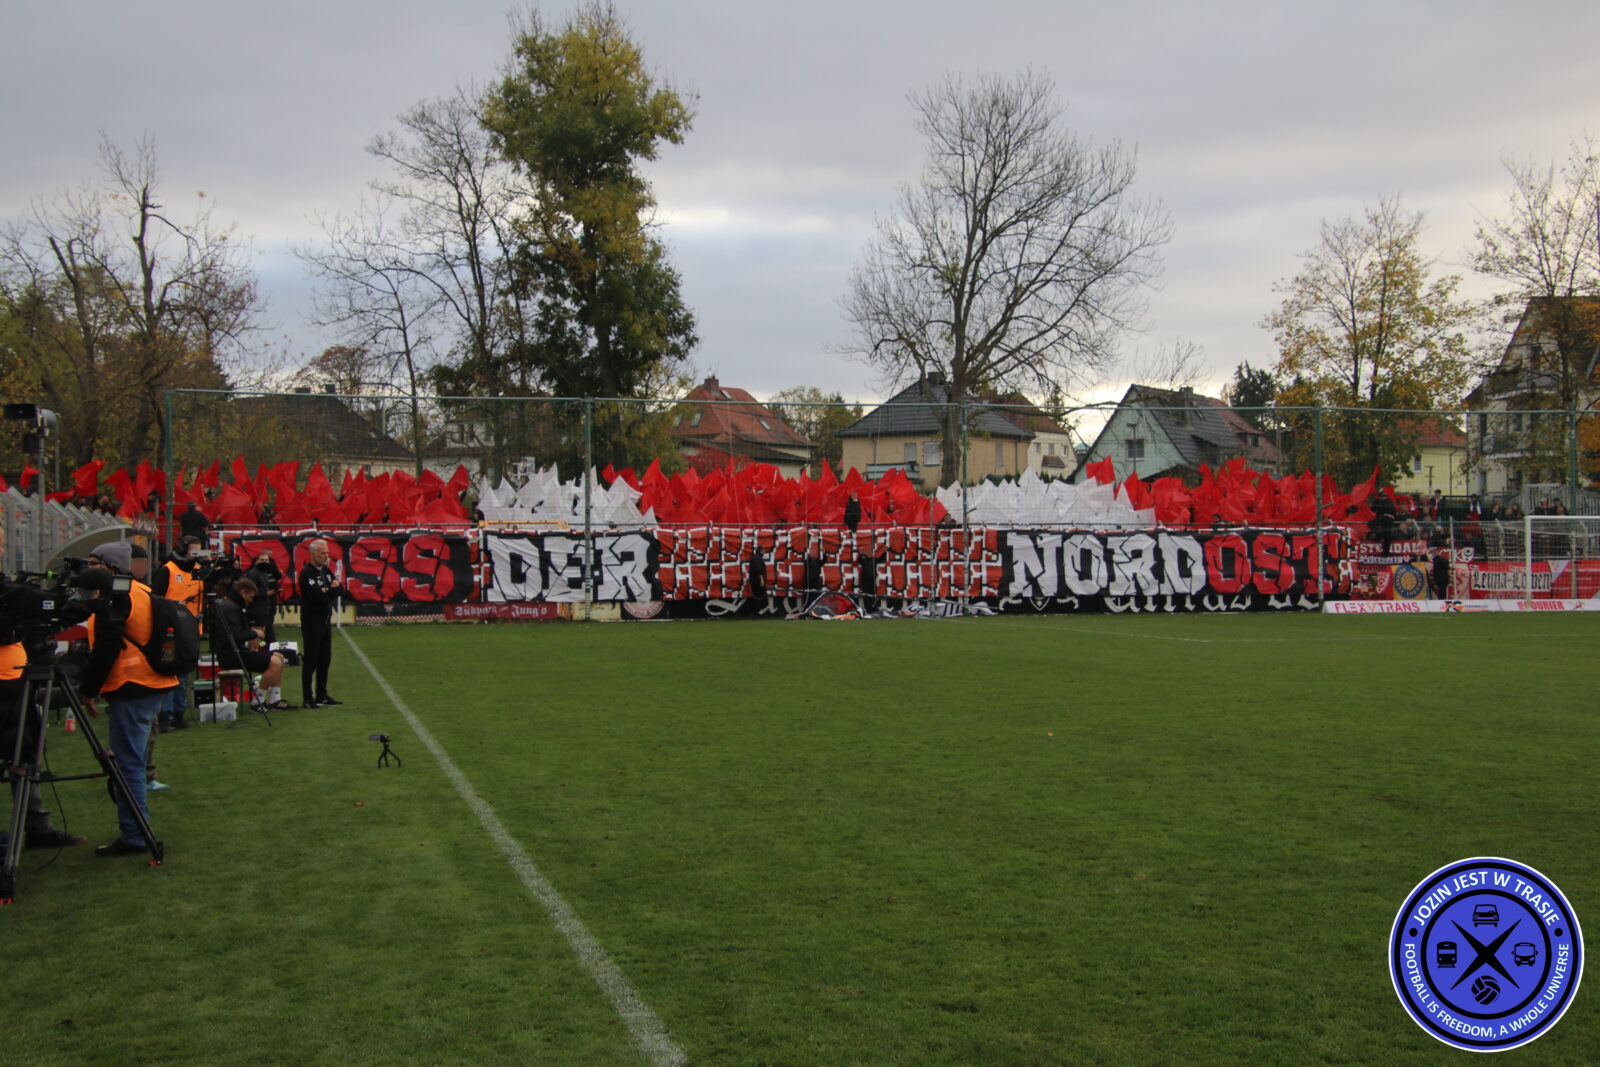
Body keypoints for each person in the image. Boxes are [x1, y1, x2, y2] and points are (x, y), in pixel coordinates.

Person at [78, 541, 179, 857]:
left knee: (128, 764)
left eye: (93, 563)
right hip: (151, 682)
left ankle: (135, 834)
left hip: (131, 684)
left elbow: (106, 647)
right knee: (132, 760)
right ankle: (135, 830)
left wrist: (89, 690)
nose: (89, 569)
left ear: (108, 566)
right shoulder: (140, 591)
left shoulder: (116, 597)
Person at [0, 524, 87, 850]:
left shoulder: (9, 590)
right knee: (18, 755)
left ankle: (37, 827)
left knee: (25, 755)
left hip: (15, 682)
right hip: (6, 685)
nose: (3, 550)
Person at [151, 537, 204, 732]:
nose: (196, 556)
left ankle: (178, 713)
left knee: (183, 673)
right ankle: (165, 715)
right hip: (170, 629)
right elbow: (154, 598)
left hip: (191, 628)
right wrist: (173, 605)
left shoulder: (198, 571)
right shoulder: (168, 570)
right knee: (168, 672)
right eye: (193, 551)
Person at [212, 578, 289, 711]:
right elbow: (236, 635)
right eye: (250, 597)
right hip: (231, 656)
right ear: (243, 592)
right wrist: (254, 633)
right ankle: (257, 702)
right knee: (275, 662)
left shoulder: (232, 606)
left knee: (280, 657)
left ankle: (275, 699)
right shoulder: (231, 608)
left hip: (237, 652)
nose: (251, 600)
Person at [297, 539, 347, 707]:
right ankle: (307, 698)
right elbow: (318, 597)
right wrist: (331, 590)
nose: (326, 556)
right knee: (311, 659)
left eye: (327, 553)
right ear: (312, 554)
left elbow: (340, 590)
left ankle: (322, 694)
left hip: (325, 621)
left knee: (325, 659)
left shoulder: (326, 571)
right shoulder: (306, 573)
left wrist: (330, 590)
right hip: (312, 622)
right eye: (322, 553)